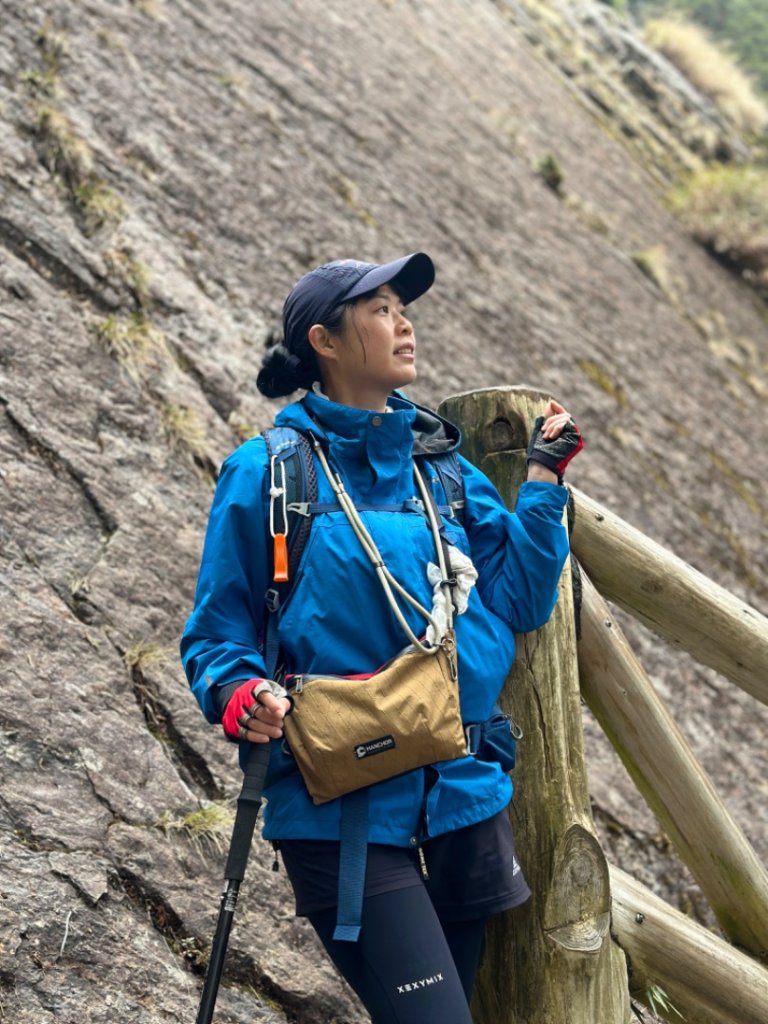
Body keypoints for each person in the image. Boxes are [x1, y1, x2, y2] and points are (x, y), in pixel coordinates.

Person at [181, 252, 583, 1024]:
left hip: (462, 791)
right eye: (382, 309)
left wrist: (541, 483)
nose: (404, 324)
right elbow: (217, 632)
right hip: (343, 805)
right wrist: (240, 694)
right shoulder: (269, 473)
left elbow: (521, 598)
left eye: (404, 309)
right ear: (325, 341)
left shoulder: (444, 470)